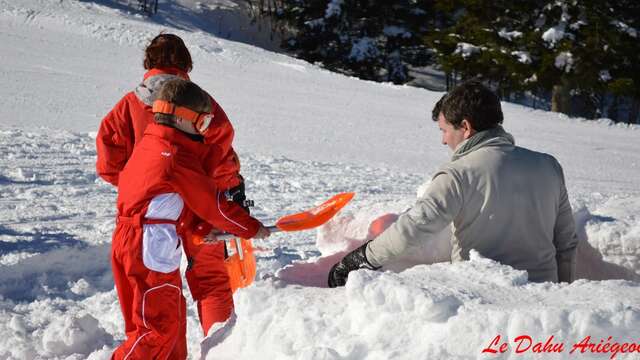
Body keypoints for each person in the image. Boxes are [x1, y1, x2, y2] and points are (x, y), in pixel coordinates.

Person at [328, 81, 578, 287]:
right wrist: (562, 293)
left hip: (488, 298)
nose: (443, 140)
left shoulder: (459, 173)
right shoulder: (548, 166)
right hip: (546, 298)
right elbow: (566, 242)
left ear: (466, 127)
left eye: (443, 130)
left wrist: (360, 259)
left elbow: (413, 229)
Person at [96, 33, 250, 342]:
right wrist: (227, 192)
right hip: (200, 207)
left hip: (153, 215)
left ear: (148, 62)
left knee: (153, 292)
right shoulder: (200, 102)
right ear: (186, 62)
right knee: (210, 280)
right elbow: (222, 151)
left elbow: (108, 163)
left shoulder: (128, 106)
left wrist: (141, 188)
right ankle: (219, 349)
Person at [110, 78, 270, 359]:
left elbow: (164, 202)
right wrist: (251, 228)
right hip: (148, 248)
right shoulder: (174, 155)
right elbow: (214, 206)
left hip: (137, 240)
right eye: (203, 123)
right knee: (156, 329)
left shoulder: (150, 144)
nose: (205, 131)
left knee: (167, 319)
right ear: (183, 118)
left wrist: (199, 228)